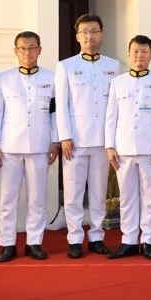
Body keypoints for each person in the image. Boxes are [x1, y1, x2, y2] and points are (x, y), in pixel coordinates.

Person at [0, 31, 60, 262]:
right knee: (8, 199)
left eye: (31, 48)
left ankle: (34, 242)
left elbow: (55, 113)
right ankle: (7, 244)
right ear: (15, 51)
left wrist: (56, 140)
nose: (27, 52)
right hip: (9, 147)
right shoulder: (4, 78)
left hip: (40, 146)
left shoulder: (52, 78)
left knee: (37, 199)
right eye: (22, 48)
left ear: (39, 50)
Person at [55, 14, 121, 258]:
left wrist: (113, 140)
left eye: (94, 31)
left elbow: (115, 107)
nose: (89, 36)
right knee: (72, 192)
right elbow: (61, 105)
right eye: (84, 32)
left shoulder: (113, 66)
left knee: (98, 191)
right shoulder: (66, 66)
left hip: (103, 141)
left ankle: (96, 236)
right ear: (77, 37)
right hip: (76, 140)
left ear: (101, 34)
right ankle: (74, 238)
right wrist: (64, 136)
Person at [105, 35, 151, 260]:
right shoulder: (118, 82)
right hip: (123, 150)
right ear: (128, 54)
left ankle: (148, 240)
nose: (139, 56)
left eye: (144, 52)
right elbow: (110, 117)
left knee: (150, 197)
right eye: (135, 51)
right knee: (127, 198)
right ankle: (128, 241)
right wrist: (109, 146)